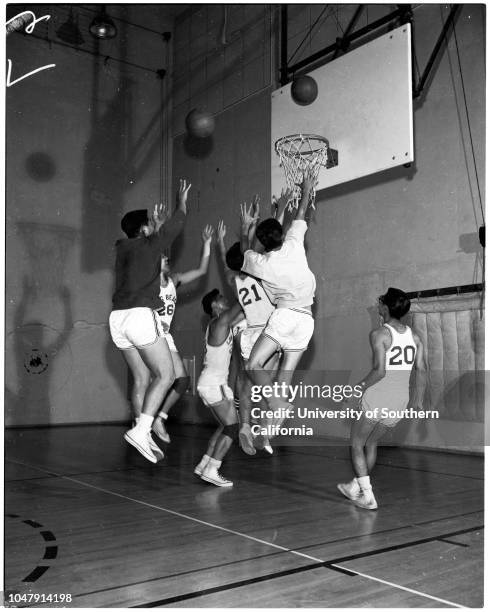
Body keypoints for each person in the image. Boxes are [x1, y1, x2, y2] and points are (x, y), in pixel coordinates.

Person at [109, 179, 190, 463]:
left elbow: (153, 244)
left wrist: (153, 227)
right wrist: (180, 204)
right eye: (149, 224)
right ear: (143, 230)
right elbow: (174, 228)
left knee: (142, 377)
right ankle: (142, 430)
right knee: (167, 376)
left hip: (117, 320)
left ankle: (138, 426)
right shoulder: (147, 246)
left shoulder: (124, 248)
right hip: (139, 315)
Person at [239, 172, 317, 439]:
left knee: (253, 365)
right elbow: (302, 214)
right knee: (285, 378)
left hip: (284, 316)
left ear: (262, 242)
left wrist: (246, 227)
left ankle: (274, 403)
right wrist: (305, 190)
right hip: (307, 320)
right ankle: (270, 433)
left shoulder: (262, 263)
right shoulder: (295, 244)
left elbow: (246, 249)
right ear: (281, 235)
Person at [337, 287, 426, 510]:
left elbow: (379, 371)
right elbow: (423, 370)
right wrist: (418, 400)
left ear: (385, 308)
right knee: (372, 442)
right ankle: (355, 487)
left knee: (357, 444)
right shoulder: (415, 336)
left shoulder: (379, 334)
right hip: (400, 399)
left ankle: (368, 496)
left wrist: (357, 388)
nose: (377, 305)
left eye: (380, 303)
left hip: (379, 395)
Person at [216, 215, 277, 455]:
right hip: (266, 334)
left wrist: (221, 243)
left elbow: (225, 263)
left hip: (248, 333)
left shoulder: (232, 279)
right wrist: (247, 230)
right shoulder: (258, 273)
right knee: (265, 385)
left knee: (244, 381)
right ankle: (264, 431)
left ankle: (244, 427)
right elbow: (249, 251)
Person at [152, 224, 215, 444]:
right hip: (150, 335)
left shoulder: (174, 280)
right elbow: (153, 248)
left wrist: (206, 244)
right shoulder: (149, 283)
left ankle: (158, 418)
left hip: (165, 336)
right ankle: (143, 420)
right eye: (163, 258)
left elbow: (201, 271)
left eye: (167, 258)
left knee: (183, 381)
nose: (167, 260)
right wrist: (160, 228)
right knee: (159, 378)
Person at [194, 289, 243, 486]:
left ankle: (204, 463)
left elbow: (243, 312)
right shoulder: (220, 322)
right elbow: (242, 305)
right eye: (221, 298)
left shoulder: (218, 324)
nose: (225, 300)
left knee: (224, 426)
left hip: (211, 383)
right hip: (214, 384)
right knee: (232, 428)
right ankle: (212, 469)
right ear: (215, 305)